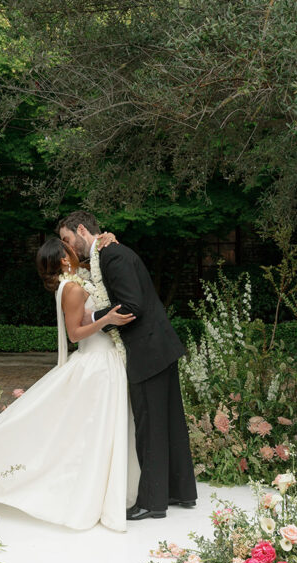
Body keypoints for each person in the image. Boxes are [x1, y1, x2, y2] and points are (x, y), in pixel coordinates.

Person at [0, 235, 140, 532]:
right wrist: (106, 318)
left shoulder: (75, 281)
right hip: (96, 362)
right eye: (69, 248)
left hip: (103, 360)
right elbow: (75, 334)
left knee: (96, 429)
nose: (73, 249)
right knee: (93, 429)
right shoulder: (71, 289)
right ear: (62, 258)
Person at [57, 211, 198, 521]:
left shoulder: (113, 256)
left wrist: (92, 318)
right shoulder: (107, 254)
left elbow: (131, 305)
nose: (68, 247)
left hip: (148, 350)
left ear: (82, 229)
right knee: (168, 423)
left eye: (68, 239)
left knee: (151, 427)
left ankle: (152, 502)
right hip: (157, 347)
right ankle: (179, 492)